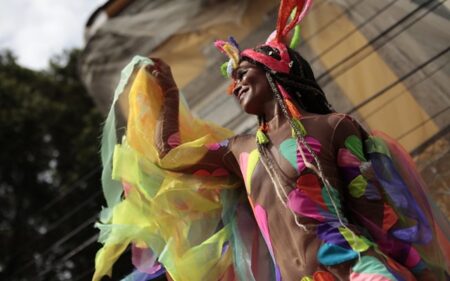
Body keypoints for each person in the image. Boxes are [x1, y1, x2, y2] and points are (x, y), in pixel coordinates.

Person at [93, 1, 449, 280]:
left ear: (275, 72)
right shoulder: (238, 151)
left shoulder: (334, 127)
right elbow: (169, 155)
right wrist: (169, 96)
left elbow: (375, 216)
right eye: (233, 82)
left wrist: (418, 270)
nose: (235, 86)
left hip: (359, 270)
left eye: (243, 74)